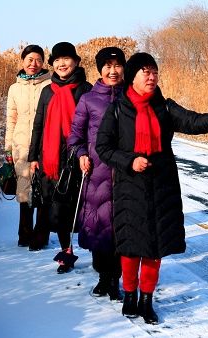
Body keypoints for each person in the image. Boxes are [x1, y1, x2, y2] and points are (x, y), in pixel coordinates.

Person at [95, 52, 208, 324]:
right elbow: (104, 147)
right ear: (132, 76)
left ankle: (147, 300)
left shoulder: (165, 107)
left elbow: (191, 121)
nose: (151, 76)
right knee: (132, 246)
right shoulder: (118, 109)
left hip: (162, 185)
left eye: (154, 71)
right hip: (130, 186)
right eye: (145, 71)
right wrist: (130, 160)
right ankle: (130, 295)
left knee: (155, 248)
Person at [67, 47, 126, 301]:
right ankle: (104, 276)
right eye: (107, 66)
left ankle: (117, 279)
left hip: (126, 173)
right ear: (100, 70)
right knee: (100, 225)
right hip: (97, 172)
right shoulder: (88, 99)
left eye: (117, 66)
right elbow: (75, 136)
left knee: (122, 227)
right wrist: (81, 154)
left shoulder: (132, 96)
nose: (113, 71)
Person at [28, 42, 92, 271]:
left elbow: (93, 125)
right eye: (56, 60)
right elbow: (38, 125)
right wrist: (33, 157)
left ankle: (99, 252)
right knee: (58, 210)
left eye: (66, 59)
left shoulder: (85, 89)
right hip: (52, 158)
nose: (61, 64)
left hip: (78, 155)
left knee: (84, 207)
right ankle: (67, 252)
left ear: (76, 61)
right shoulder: (47, 91)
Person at [4, 45, 51, 247]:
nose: (34, 64)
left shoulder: (50, 84)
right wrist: (8, 148)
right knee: (24, 190)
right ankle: (24, 235)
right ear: (23, 61)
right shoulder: (14, 88)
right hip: (21, 144)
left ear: (44, 62)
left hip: (45, 143)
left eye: (38, 60)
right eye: (30, 59)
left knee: (44, 189)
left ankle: (40, 237)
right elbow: (10, 119)